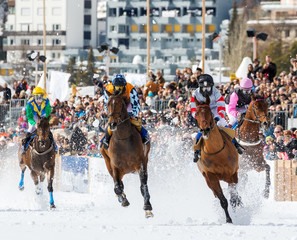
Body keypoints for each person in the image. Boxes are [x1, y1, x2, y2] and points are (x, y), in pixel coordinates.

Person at [191, 74, 243, 162]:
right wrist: (198, 117)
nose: (206, 90)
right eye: (204, 88)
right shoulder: (195, 93)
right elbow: (193, 109)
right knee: (201, 131)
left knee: (225, 126)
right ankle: (197, 151)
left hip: (215, 110)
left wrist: (217, 118)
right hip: (203, 112)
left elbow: (222, 107)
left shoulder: (216, 92)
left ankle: (236, 145)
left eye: (208, 87)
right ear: (200, 87)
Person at [101, 74, 150, 149]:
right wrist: (111, 114)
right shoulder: (108, 89)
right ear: (113, 86)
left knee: (135, 121)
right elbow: (106, 104)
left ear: (125, 85)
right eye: (117, 87)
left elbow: (136, 105)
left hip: (128, 105)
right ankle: (105, 139)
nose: (119, 89)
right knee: (111, 123)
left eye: (121, 86)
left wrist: (132, 113)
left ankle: (145, 137)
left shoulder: (130, 89)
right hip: (114, 107)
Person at [21, 87, 56, 154]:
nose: (39, 99)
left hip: (43, 117)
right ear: (34, 96)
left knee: (48, 131)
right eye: (37, 97)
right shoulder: (30, 103)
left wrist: (45, 123)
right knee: (30, 129)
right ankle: (24, 147)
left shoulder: (46, 101)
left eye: (41, 97)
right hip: (34, 117)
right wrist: (35, 124)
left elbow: (48, 113)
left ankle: (54, 146)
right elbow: (29, 117)